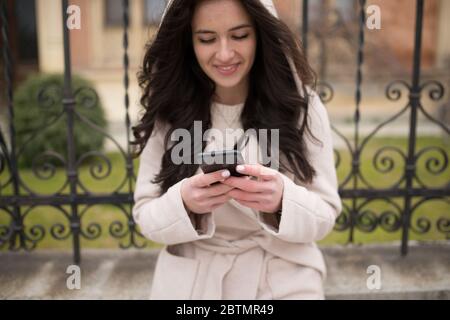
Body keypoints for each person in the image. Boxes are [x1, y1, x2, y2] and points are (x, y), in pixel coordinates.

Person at [132, 0, 342, 300]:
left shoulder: (300, 107)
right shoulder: (168, 110)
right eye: (206, 39)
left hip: (283, 277)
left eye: (240, 36)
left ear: (259, 34)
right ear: (188, 41)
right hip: (194, 283)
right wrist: (185, 202)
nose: (225, 53)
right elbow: (146, 216)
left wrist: (282, 199)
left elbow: (325, 214)